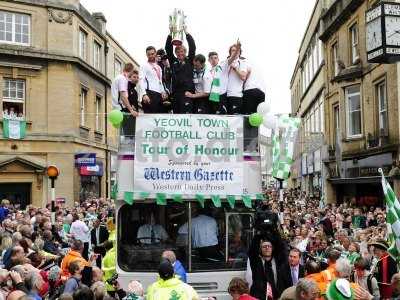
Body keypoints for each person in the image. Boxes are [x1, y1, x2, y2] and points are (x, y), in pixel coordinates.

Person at [165, 27, 196, 113]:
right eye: (177, 52)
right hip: (176, 94)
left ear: (185, 52)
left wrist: (186, 33)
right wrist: (170, 34)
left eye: (182, 51)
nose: (180, 53)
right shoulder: (173, 62)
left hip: (187, 93)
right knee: (177, 117)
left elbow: (192, 46)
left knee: (186, 116)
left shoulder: (190, 60)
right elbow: (168, 48)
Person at [140, 46, 168, 113]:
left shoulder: (159, 67)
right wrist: (144, 94)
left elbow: (160, 81)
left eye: (152, 54)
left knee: (159, 117)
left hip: (159, 95)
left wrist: (163, 91)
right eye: (148, 54)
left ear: (155, 53)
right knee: (150, 117)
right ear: (146, 55)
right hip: (150, 93)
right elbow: (141, 80)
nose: (150, 56)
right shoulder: (144, 65)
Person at [223, 41, 248, 115]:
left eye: (237, 50)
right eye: (233, 50)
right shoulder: (226, 62)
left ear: (239, 52)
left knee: (234, 121)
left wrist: (235, 68)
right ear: (230, 53)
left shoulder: (242, 62)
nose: (235, 52)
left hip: (236, 96)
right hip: (224, 96)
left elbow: (243, 77)